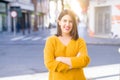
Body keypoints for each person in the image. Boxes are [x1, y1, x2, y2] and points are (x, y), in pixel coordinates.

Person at [44, 9, 90, 80]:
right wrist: (73, 64)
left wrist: (61, 59)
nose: (67, 24)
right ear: (59, 22)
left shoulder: (80, 41)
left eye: (70, 21)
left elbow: (84, 61)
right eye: (64, 21)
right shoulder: (51, 41)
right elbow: (50, 63)